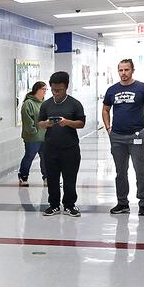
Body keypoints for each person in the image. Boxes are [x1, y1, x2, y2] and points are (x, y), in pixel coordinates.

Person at [102, 59, 144, 216]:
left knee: (140, 170)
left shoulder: (142, 88)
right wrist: (108, 128)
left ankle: (143, 203)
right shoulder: (112, 90)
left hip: (137, 135)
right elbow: (105, 109)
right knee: (120, 172)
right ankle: (122, 203)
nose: (123, 73)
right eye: (121, 70)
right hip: (117, 136)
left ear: (132, 70)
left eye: (126, 70)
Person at [38, 71, 86, 217]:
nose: (56, 93)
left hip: (70, 149)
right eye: (53, 90)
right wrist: (47, 124)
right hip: (51, 148)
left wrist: (68, 122)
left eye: (59, 90)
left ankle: (69, 205)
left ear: (66, 87)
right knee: (52, 178)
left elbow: (81, 123)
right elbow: (39, 123)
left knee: (69, 178)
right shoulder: (46, 105)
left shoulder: (75, 104)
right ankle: (53, 205)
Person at [18, 81, 48, 186]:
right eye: (43, 89)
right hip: (32, 137)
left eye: (46, 89)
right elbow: (27, 120)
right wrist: (34, 131)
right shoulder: (28, 103)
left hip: (44, 136)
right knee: (29, 156)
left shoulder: (45, 103)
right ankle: (23, 176)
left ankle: (46, 177)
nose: (45, 91)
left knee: (45, 157)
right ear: (37, 90)